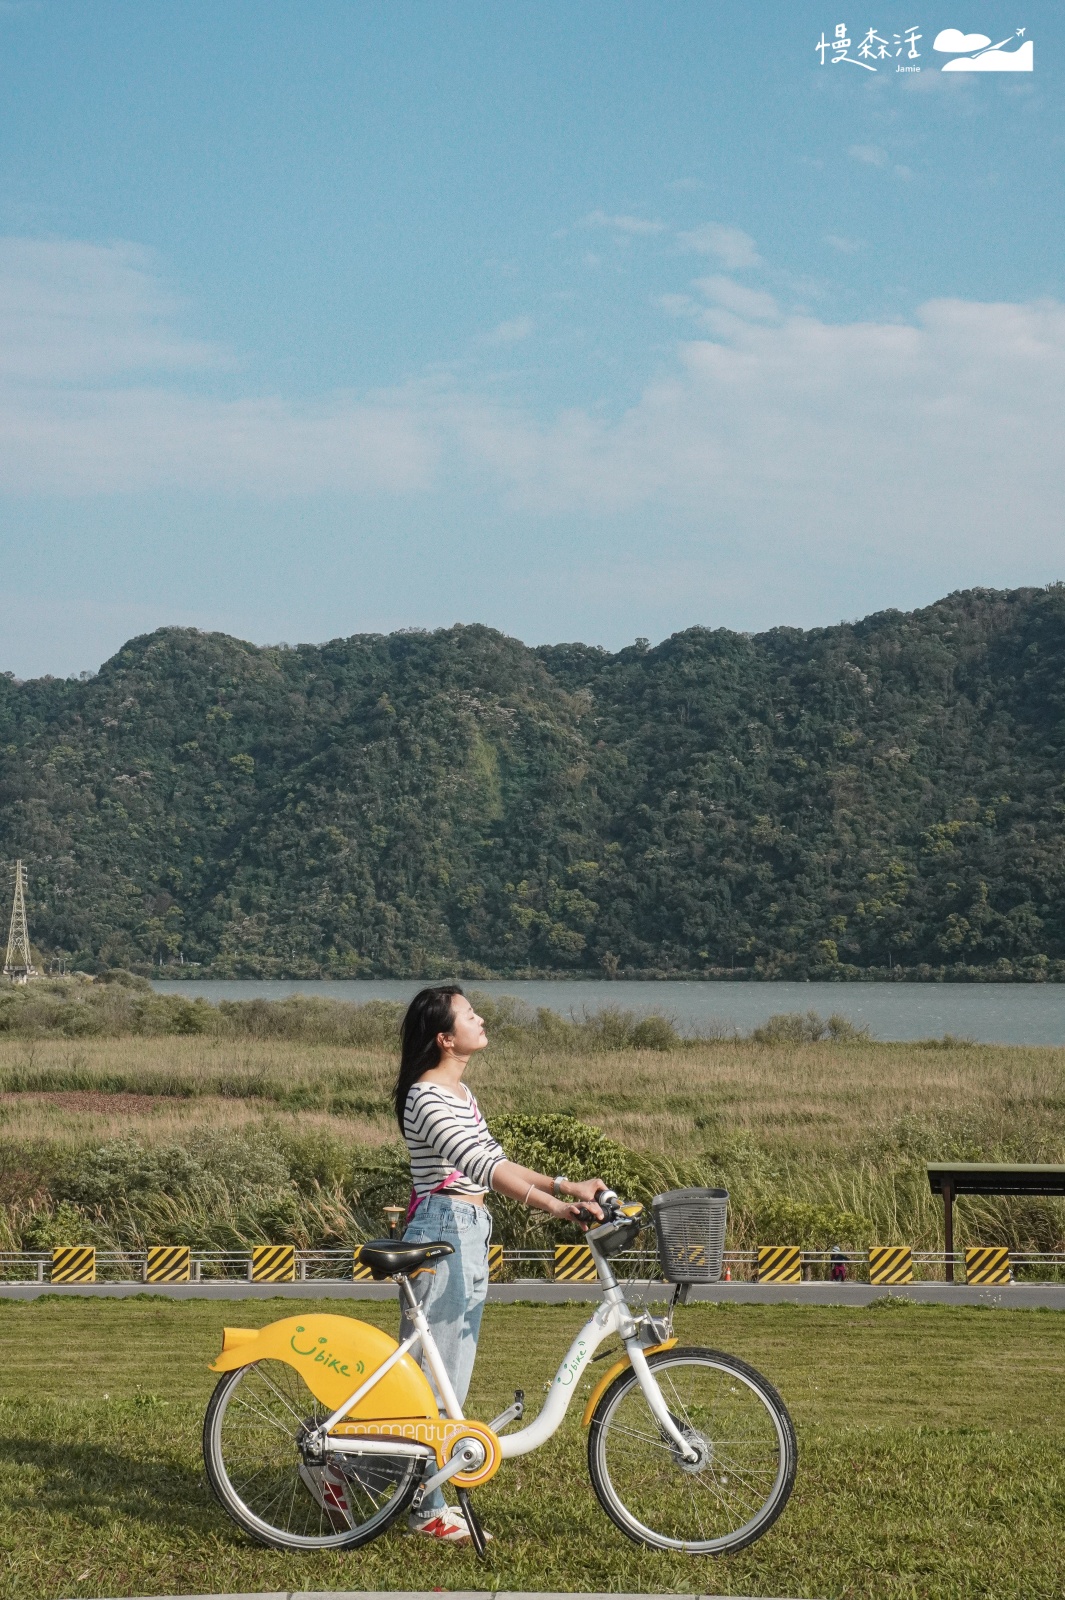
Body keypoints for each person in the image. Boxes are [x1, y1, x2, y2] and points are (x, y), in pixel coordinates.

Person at [394, 984, 606, 1543]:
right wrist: (558, 1206)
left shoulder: (460, 1094)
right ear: (445, 1037)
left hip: (466, 1228)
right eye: (470, 1015)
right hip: (443, 1229)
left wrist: (565, 1183)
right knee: (438, 1382)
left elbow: (496, 1159)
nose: (481, 1019)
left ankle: (368, 1480)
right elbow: (479, 1166)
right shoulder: (426, 1095)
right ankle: (424, 1507)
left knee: (434, 1375)